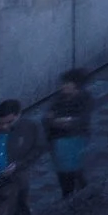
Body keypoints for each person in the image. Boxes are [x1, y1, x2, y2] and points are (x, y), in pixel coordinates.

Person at [46, 69, 93, 198]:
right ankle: (68, 195)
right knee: (63, 172)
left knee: (75, 171)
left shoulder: (84, 99)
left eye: (67, 84)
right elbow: (48, 118)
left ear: (76, 86)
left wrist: (65, 121)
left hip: (76, 139)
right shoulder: (59, 98)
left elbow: (81, 120)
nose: (63, 86)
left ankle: (82, 195)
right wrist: (56, 121)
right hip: (58, 140)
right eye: (64, 83)